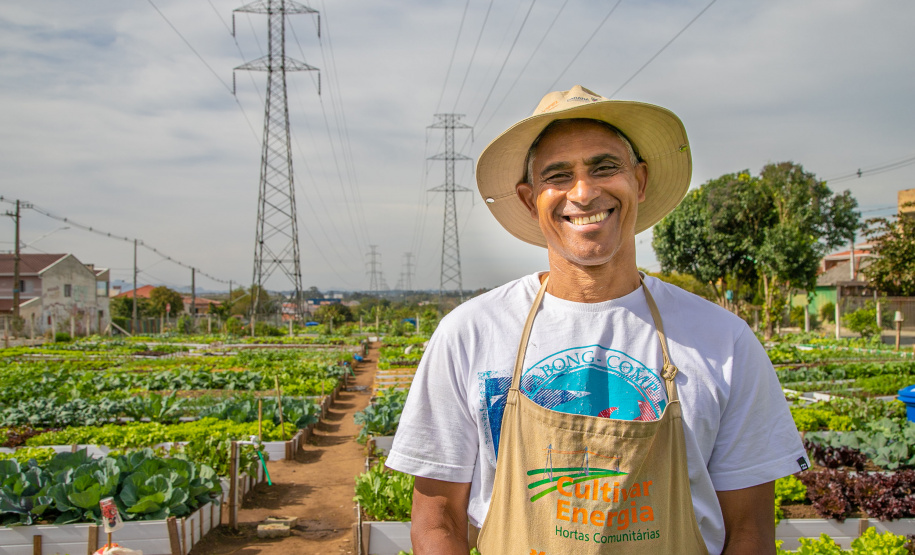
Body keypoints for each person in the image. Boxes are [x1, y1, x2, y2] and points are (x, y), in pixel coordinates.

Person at [386, 85, 808, 555]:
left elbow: (749, 530)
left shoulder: (722, 340)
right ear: (529, 199)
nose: (584, 193)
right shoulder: (470, 333)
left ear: (640, 181)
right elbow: (438, 521)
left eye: (605, 167)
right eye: (558, 175)